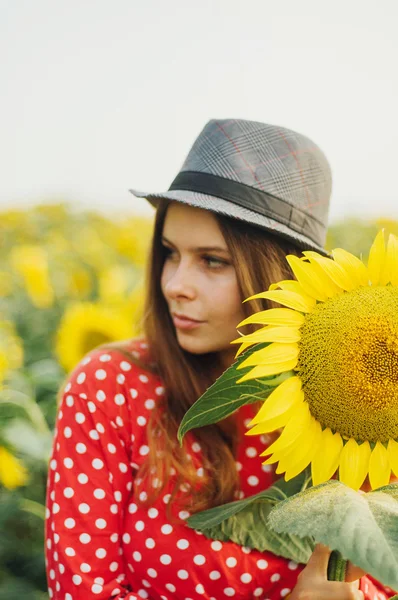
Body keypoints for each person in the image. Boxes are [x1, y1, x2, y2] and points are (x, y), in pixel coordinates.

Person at [45, 119, 395, 600]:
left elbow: (380, 575)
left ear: (279, 273)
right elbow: (82, 592)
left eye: (213, 260)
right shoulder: (111, 387)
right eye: (170, 254)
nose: (174, 285)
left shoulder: (359, 408)